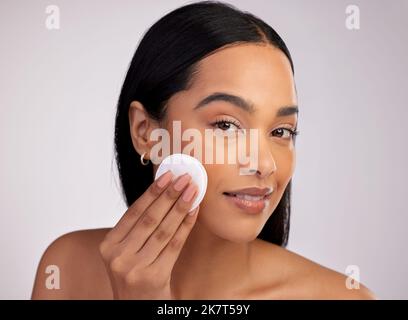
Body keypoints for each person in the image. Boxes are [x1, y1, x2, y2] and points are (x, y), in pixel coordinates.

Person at [31, 1, 376, 299]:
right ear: (145, 131)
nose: (264, 164)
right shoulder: (67, 270)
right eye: (226, 125)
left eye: (281, 131)